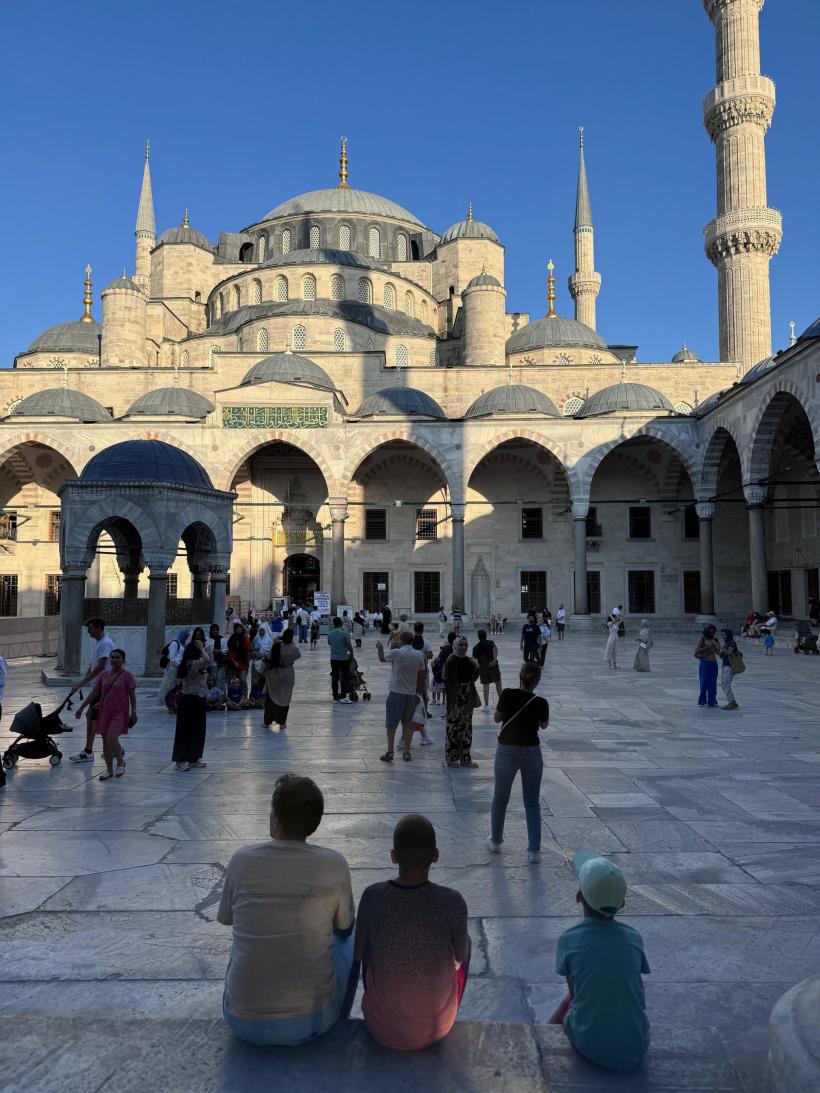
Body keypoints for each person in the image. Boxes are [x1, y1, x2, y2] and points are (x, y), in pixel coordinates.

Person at [218, 774, 358, 1046]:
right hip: (315, 1021)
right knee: (351, 935)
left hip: (241, 1020)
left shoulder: (241, 860)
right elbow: (345, 929)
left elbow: (228, 918)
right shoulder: (334, 864)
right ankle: (337, 1015)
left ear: (275, 819)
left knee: (243, 944)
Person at [355, 814, 470, 1050]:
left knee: (367, 945)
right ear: (436, 856)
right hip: (438, 1028)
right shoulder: (452, 901)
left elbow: (359, 954)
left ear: (393, 856)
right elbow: (461, 955)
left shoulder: (373, 897)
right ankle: (443, 1005)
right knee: (465, 943)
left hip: (381, 1027)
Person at [548, 853, 650, 1073]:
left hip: (590, 1045)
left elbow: (575, 997)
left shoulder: (569, 940)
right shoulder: (634, 939)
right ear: (621, 903)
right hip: (637, 1045)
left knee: (567, 1006)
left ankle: (543, 1034)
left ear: (579, 897)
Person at [487, 660, 549, 863]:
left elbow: (497, 718)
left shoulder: (507, 694)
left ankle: (496, 841)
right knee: (532, 802)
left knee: (500, 798)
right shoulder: (541, 702)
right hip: (531, 752)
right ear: (537, 681)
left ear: (520, 676)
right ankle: (534, 851)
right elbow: (544, 725)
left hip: (507, 750)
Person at [74, 648, 137, 781]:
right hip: (104, 712)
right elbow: (95, 692)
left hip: (119, 712)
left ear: (123, 660)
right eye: (112, 657)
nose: (114, 660)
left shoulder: (127, 676)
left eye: (118, 657)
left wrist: (134, 712)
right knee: (105, 741)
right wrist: (81, 707)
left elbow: (132, 695)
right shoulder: (103, 675)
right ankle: (109, 769)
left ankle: (120, 762)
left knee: (111, 737)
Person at [69, 618, 115, 763]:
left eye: (91, 628)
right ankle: (114, 748)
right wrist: (82, 682)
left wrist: (81, 684)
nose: (88, 631)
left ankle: (88, 752)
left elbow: (100, 667)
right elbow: (92, 666)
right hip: (98, 687)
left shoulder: (106, 644)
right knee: (99, 719)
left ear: (99, 628)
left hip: (104, 688)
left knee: (92, 716)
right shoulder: (98, 644)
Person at [376, 631, 426, 762]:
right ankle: (407, 752)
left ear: (401, 640)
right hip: (411, 694)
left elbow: (382, 658)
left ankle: (390, 751)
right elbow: (422, 675)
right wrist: (419, 692)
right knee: (408, 724)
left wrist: (380, 647)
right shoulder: (419, 655)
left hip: (396, 693)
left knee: (391, 723)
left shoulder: (396, 653)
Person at [172, 638, 210, 772]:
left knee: (198, 731)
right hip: (189, 700)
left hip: (198, 699)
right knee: (185, 731)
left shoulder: (195, 664)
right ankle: (180, 760)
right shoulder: (192, 664)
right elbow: (208, 660)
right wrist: (201, 647)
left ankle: (194, 758)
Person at [443, 636, 480, 768]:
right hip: (455, 698)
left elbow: (473, 678)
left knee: (466, 729)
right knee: (453, 729)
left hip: (467, 697)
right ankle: (451, 758)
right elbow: (446, 679)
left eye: (465, 645)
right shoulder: (451, 660)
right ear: (456, 646)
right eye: (461, 645)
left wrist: (476, 667)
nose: (464, 647)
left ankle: (465, 758)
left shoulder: (469, 661)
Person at [263, 627, 301, 732]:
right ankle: (282, 722)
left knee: (270, 698)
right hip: (287, 674)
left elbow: (268, 657)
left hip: (274, 674)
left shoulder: (276, 646)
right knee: (285, 698)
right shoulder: (294, 649)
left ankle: (267, 721)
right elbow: (298, 655)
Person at [410, 633, 434, 745]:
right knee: (418, 715)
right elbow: (422, 675)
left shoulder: (409, 654)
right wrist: (425, 693)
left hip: (409, 687)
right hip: (418, 689)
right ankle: (422, 737)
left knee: (413, 714)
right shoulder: (421, 656)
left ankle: (424, 736)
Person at [472, 628, 501, 710]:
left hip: (483, 666)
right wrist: (494, 659)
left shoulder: (476, 647)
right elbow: (494, 648)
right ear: (485, 635)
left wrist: (477, 667)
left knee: (485, 685)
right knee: (498, 684)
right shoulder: (490, 642)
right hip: (493, 665)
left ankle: (487, 705)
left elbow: (473, 660)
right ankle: (501, 703)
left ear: (478, 637)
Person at [327, 617, 354, 703]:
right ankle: (343, 696)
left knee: (335, 678)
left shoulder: (330, 633)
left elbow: (330, 643)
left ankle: (335, 698)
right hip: (343, 658)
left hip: (333, 659)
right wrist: (351, 655)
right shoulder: (344, 633)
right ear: (341, 623)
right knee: (345, 677)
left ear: (334, 624)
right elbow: (349, 646)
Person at [694, 624, 721, 707]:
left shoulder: (715, 639)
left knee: (713, 682)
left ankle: (712, 700)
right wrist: (708, 647)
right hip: (705, 663)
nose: (712, 633)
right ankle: (703, 701)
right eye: (710, 632)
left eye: (713, 632)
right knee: (704, 682)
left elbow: (718, 653)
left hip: (713, 663)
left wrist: (718, 646)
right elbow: (697, 650)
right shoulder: (703, 638)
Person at [227, 622, 251, 698]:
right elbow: (230, 652)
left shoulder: (245, 639)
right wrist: (234, 662)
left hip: (243, 663)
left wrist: (245, 639)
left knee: (242, 681)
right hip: (233, 663)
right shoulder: (232, 638)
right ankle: (235, 698)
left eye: (240, 628)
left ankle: (244, 698)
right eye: (237, 628)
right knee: (234, 682)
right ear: (235, 629)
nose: (239, 629)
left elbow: (248, 651)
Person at [719, 627, 741, 709]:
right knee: (724, 684)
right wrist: (717, 648)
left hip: (730, 666)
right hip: (725, 665)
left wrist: (720, 647)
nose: (723, 636)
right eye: (722, 634)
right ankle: (733, 701)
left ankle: (731, 702)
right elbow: (722, 656)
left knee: (726, 684)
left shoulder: (732, 643)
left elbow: (729, 652)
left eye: (725, 634)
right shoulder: (726, 643)